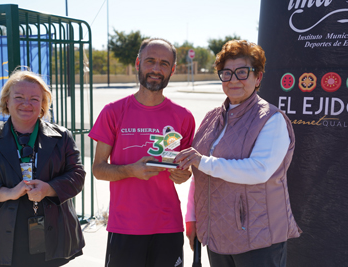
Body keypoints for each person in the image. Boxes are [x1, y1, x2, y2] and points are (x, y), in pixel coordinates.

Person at [175, 40, 301, 267]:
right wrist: (192, 217)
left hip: (259, 240)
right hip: (216, 235)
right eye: (227, 73)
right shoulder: (212, 117)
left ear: (258, 77)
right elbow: (199, 172)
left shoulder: (271, 119)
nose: (234, 80)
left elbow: (259, 171)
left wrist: (203, 161)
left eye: (242, 72)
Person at [0, 69, 86, 267]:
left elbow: (77, 176)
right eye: (19, 97)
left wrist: (48, 189)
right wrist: (9, 192)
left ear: (43, 105)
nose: (27, 103)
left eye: (35, 99)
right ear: (6, 101)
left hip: (49, 240)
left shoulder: (63, 137)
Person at [89, 38, 195, 267]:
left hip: (168, 226)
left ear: (173, 70)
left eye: (164, 63)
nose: (156, 69)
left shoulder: (184, 117)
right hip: (125, 226)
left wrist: (182, 175)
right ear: (138, 63)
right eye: (150, 61)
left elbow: (185, 172)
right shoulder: (113, 112)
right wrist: (130, 170)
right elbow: (98, 169)